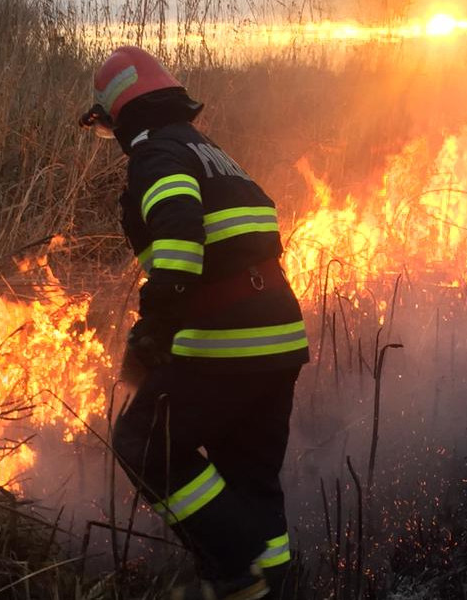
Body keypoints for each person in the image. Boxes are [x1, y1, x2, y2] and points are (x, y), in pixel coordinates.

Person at [81, 46, 308, 600]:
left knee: (142, 441)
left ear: (122, 115)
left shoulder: (155, 153)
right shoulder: (212, 154)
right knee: (250, 475)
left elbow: (180, 236)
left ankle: (234, 566)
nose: (113, 138)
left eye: (108, 126)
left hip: (229, 340)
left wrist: (155, 329)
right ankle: (276, 585)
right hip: (279, 337)